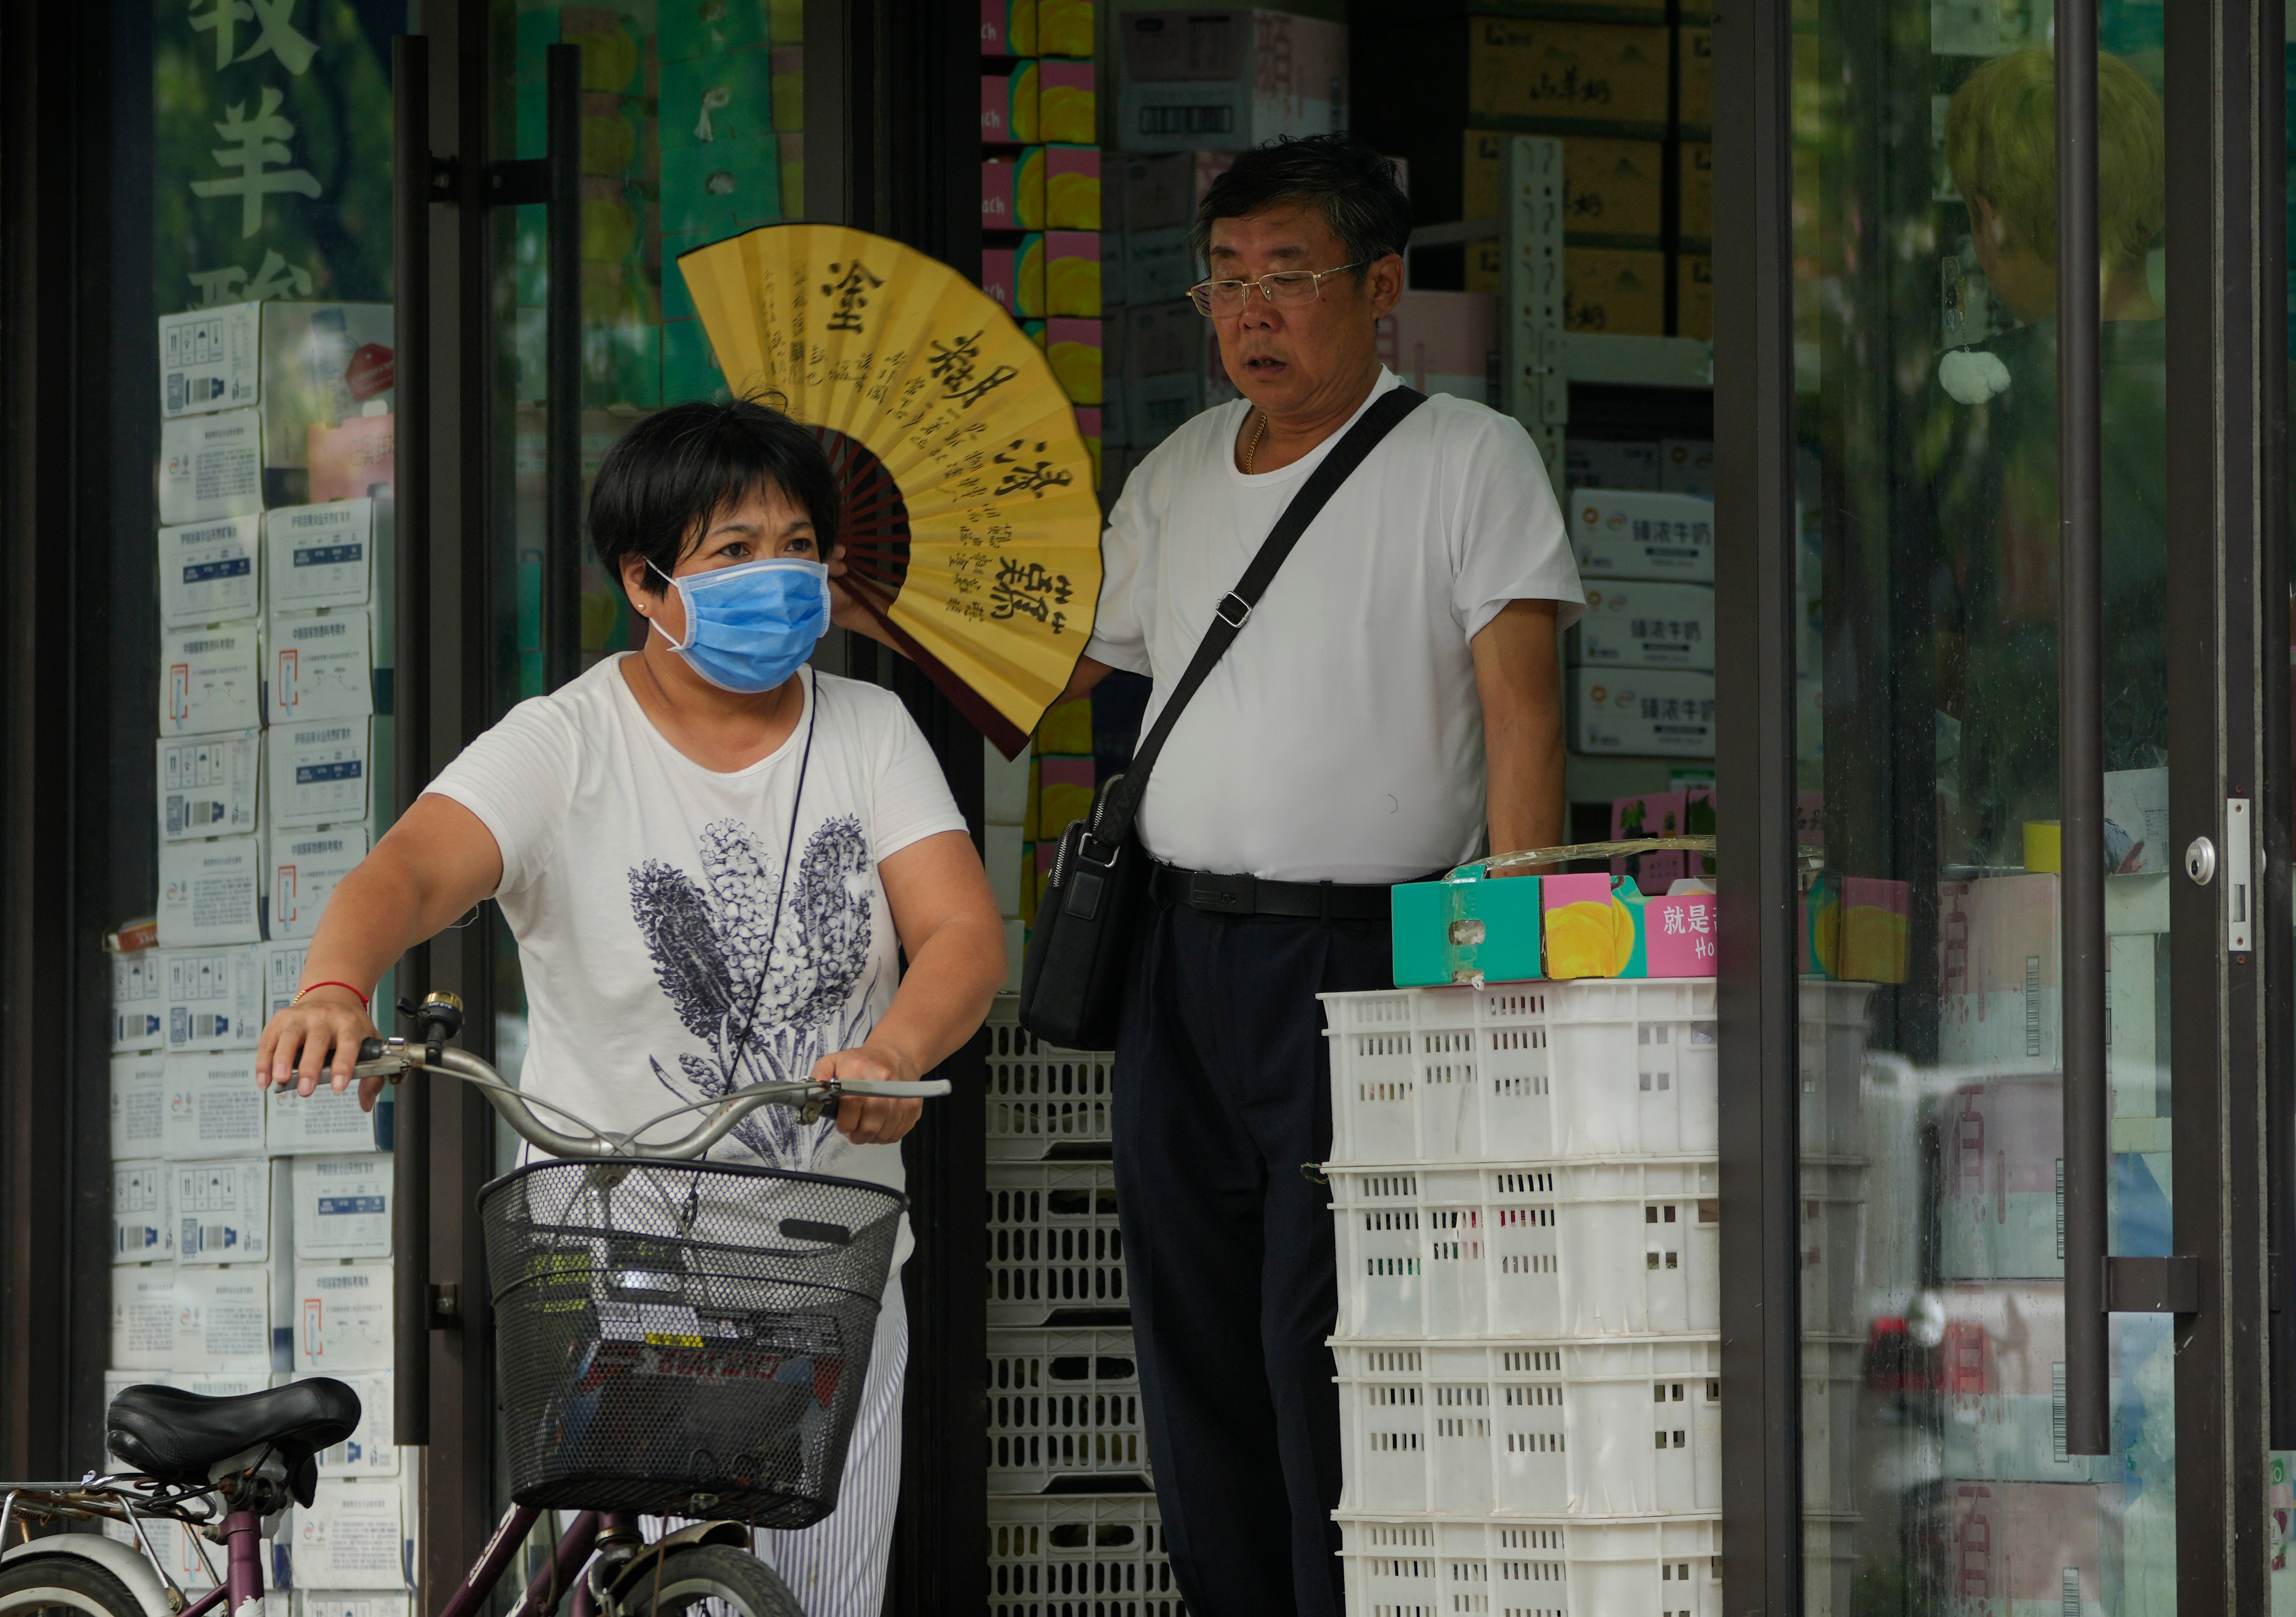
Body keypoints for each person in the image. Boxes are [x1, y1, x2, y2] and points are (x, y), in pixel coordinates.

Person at [253, 397, 1003, 1617]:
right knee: (676, 1589)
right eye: (735, 551)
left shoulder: (871, 729)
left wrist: (896, 1049)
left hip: (836, 1270)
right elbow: (407, 872)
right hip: (631, 1257)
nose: (783, 575)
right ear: (645, 584)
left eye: (801, 543)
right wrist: (336, 988)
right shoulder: (567, 742)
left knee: (819, 1601)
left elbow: (963, 931)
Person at [1057, 134, 1582, 1617]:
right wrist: (883, 599)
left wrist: (1511, 966)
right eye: (1225, 282)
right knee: (1194, 1331)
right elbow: (1046, 676)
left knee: (1327, 1338)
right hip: (1178, 956)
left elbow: (1524, 717)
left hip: (1370, 955)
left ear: (1379, 287)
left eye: (1287, 278)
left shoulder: (1470, 459)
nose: (1251, 313)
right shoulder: (1171, 475)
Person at [1935, 47, 2296, 865]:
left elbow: (1931, 666)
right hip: (2267, 899)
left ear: (1990, 219)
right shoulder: (2286, 402)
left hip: (2043, 891)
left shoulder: (1975, 411)